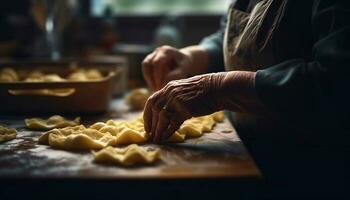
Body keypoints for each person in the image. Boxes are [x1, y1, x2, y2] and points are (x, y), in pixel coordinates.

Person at [142, 0, 350, 197]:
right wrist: (192, 57)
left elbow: (336, 83)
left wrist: (218, 88)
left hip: (309, 175)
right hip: (240, 155)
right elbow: (238, 34)